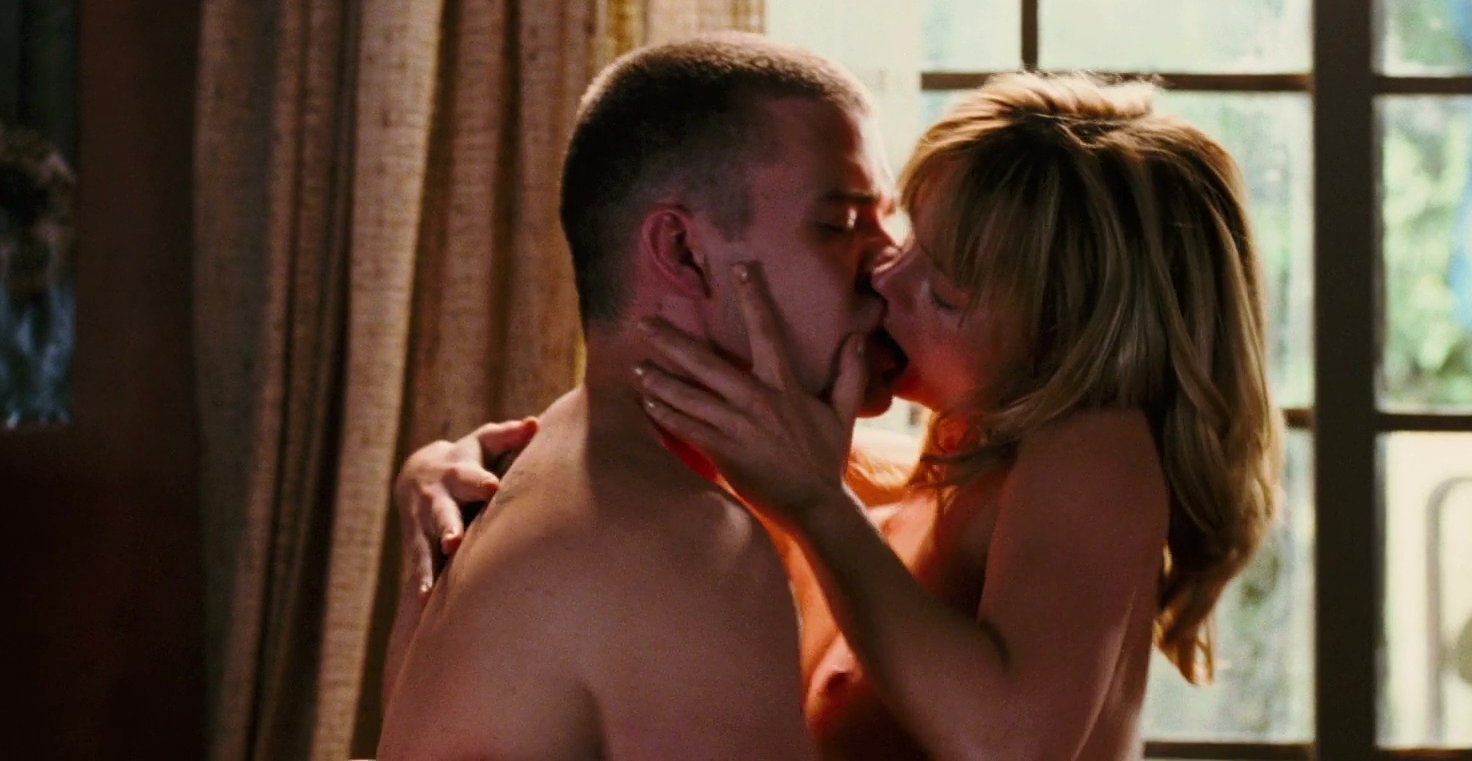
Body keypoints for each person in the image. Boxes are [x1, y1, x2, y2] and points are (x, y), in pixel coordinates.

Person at [399, 72, 1283, 760]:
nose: (886, 278)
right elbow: (734, 439)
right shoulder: (919, 474)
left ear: (1064, 341)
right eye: (908, 241)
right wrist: (473, 467)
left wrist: (817, 506)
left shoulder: (1096, 449)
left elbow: (1010, 745)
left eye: (942, 292)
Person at [375, 32, 906, 760]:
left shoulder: (542, 475)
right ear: (684, 252)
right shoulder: (680, 543)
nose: (890, 265)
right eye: (841, 224)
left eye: (890, 221)